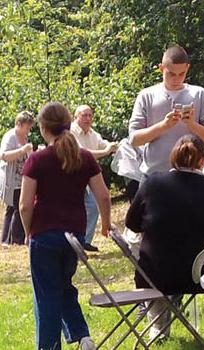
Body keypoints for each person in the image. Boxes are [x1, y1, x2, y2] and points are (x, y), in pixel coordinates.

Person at [19, 102, 112, 350]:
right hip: (74, 234)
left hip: (44, 234)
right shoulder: (85, 157)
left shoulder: (37, 160)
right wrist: (106, 224)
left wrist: (28, 231)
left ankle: (49, 346)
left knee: (46, 295)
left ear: (42, 128)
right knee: (63, 286)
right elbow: (103, 195)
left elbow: (25, 205)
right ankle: (82, 336)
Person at [125, 135, 204, 341]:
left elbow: (132, 224)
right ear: (202, 160)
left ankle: (159, 329)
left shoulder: (152, 183)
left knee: (153, 256)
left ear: (173, 157)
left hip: (157, 275)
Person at [128, 45, 204, 177]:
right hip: (154, 177)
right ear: (161, 68)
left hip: (190, 177)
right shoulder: (146, 95)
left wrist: (192, 125)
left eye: (182, 74)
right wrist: (163, 126)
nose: (176, 79)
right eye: (171, 74)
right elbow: (134, 140)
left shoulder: (198, 94)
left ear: (187, 68)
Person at [71, 105, 118, 252]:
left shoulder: (92, 133)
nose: (88, 118)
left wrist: (115, 146)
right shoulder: (71, 131)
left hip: (88, 176)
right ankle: (75, 241)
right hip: (72, 175)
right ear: (76, 116)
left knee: (93, 206)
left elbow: (104, 143)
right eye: (84, 115)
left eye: (90, 115)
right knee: (77, 208)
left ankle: (83, 241)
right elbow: (81, 153)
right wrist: (105, 151)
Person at [0, 111, 34, 246]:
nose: (29, 130)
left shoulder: (24, 138)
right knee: (16, 208)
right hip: (11, 180)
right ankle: (14, 239)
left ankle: (8, 240)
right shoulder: (10, 137)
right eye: (27, 127)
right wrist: (22, 151)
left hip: (21, 180)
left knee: (14, 209)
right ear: (19, 124)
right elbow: (4, 156)